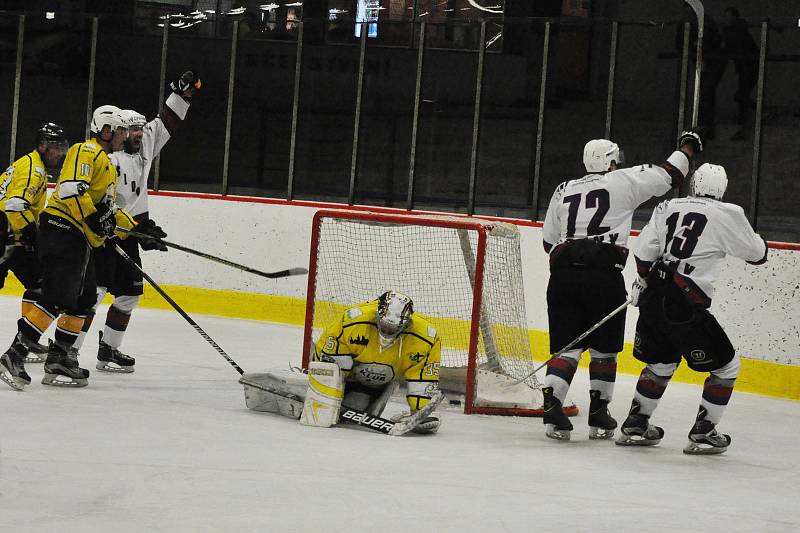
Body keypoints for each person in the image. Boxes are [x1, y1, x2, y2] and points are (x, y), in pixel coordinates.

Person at [539, 131, 702, 441]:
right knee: (604, 349)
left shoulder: (563, 189)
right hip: (602, 275)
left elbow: (549, 241)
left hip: (562, 277)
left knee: (567, 347)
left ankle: (552, 406)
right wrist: (687, 147)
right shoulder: (623, 180)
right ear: (611, 162)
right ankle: (599, 412)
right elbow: (671, 174)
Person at [0, 105, 163, 391]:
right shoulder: (85, 151)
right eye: (121, 130)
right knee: (57, 296)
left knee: (85, 300)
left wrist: (137, 230)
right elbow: (70, 189)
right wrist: (94, 216)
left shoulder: (107, 164)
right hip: (63, 230)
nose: (125, 136)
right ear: (106, 130)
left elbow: (108, 211)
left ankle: (59, 359)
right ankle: (13, 357)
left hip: (81, 238)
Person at [616, 163, 768, 455]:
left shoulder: (667, 206)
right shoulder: (728, 213)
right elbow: (757, 255)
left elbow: (645, 254)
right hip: (683, 303)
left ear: (694, 185)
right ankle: (704, 432)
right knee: (727, 366)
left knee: (660, 364)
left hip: (653, 295)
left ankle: (635, 424)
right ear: (721, 190)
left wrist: (643, 282)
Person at [70, 70, 200, 373]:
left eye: (142, 129)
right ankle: (68, 350)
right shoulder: (109, 158)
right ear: (119, 133)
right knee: (95, 293)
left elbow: (166, 121)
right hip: (103, 233)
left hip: (130, 230)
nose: (140, 134)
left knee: (129, 294)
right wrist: (131, 228)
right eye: (133, 130)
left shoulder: (143, 147)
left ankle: (109, 350)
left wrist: (181, 94)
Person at [243, 291, 442, 434]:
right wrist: (324, 396)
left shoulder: (425, 338)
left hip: (380, 382)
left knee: (355, 408)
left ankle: (356, 399)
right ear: (377, 315)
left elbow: (422, 376)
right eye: (384, 326)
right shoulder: (351, 322)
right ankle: (296, 379)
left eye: (394, 329)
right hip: (349, 374)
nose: (388, 332)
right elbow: (327, 363)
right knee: (330, 413)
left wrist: (420, 413)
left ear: (407, 323)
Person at [0, 123, 69, 372]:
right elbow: (13, 205)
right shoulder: (34, 171)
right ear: (42, 146)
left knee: (40, 284)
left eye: (63, 147)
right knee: (42, 284)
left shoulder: (32, 164)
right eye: (56, 147)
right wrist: (30, 233)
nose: (60, 153)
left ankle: (26, 339)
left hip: (10, 235)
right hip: (7, 234)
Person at [722, 7, 759, 140]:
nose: (726, 19)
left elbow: (736, 47)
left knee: (741, 95)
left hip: (750, 66)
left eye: (728, 17)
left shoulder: (737, 31)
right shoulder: (733, 31)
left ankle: (758, 112)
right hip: (745, 67)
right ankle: (744, 119)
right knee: (742, 95)